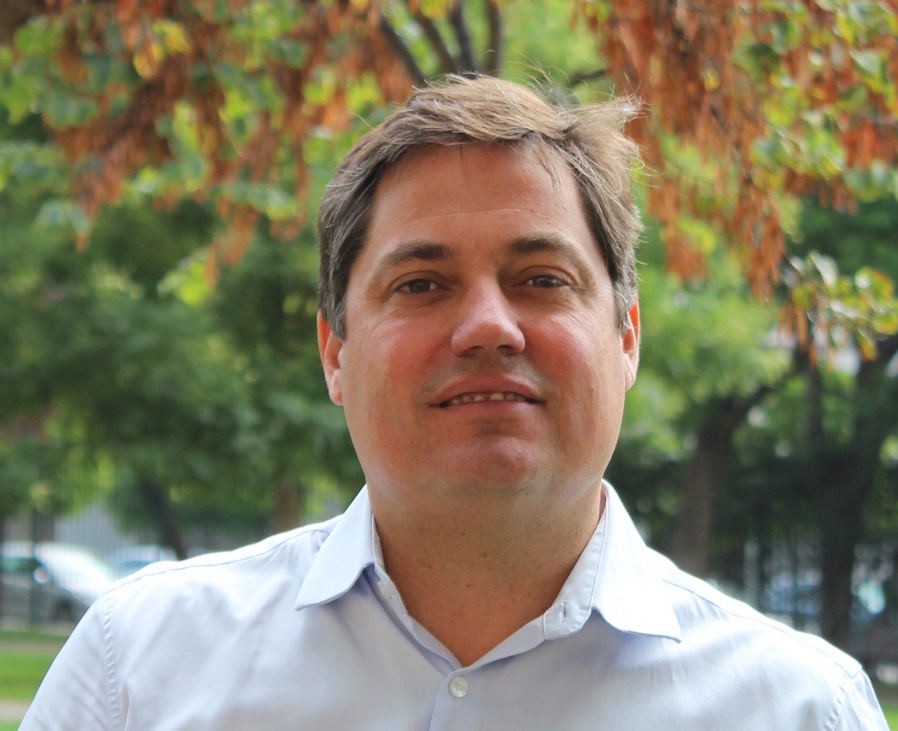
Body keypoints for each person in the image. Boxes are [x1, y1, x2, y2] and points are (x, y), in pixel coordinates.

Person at [22, 76, 888, 730]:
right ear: (335, 351)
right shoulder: (136, 670)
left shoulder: (799, 708)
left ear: (627, 337)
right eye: (422, 283)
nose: (487, 327)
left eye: (541, 279)